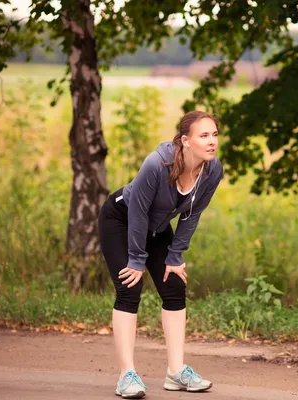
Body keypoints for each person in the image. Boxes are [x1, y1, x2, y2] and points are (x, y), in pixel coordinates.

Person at [98, 111, 223, 398]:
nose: (212, 141)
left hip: (156, 228)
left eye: (214, 134)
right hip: (121, 219)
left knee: (174, 284)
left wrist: (175, 255)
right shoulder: (157, 164)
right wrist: (136, 259)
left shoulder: (212, 170)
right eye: (204, 135)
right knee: (130, 286)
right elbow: (138, 213)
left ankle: (176, 372)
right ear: (185, 140)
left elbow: (192, 215)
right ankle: (126, 375)